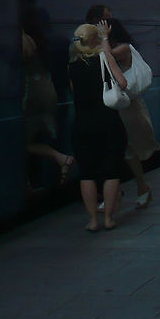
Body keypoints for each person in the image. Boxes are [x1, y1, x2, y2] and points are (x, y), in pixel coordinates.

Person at [68, 22, 127, 232]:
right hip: (108, 121)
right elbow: (122, 82)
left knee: (87, 173)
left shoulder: (72, 65)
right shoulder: (104, 58)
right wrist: (106, 40)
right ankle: (109, 218)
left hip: (82, 124)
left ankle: (92, 220)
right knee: (111, 170)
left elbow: (75, 92)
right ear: (95, 40)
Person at [100, 18, 160, 210]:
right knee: (118, 150)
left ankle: (141, 187)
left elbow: (108, 55)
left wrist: (102, 38)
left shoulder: (124, 48)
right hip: (116, 106)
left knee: (128, 150)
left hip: (128, 106)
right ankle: (117, 191)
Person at [21, 6, 73, 185]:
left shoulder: (24, 39)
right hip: (48, 91)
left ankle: (60, 159)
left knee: (21, 141)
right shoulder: (47, 39)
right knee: (43, 136)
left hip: (32, 96)